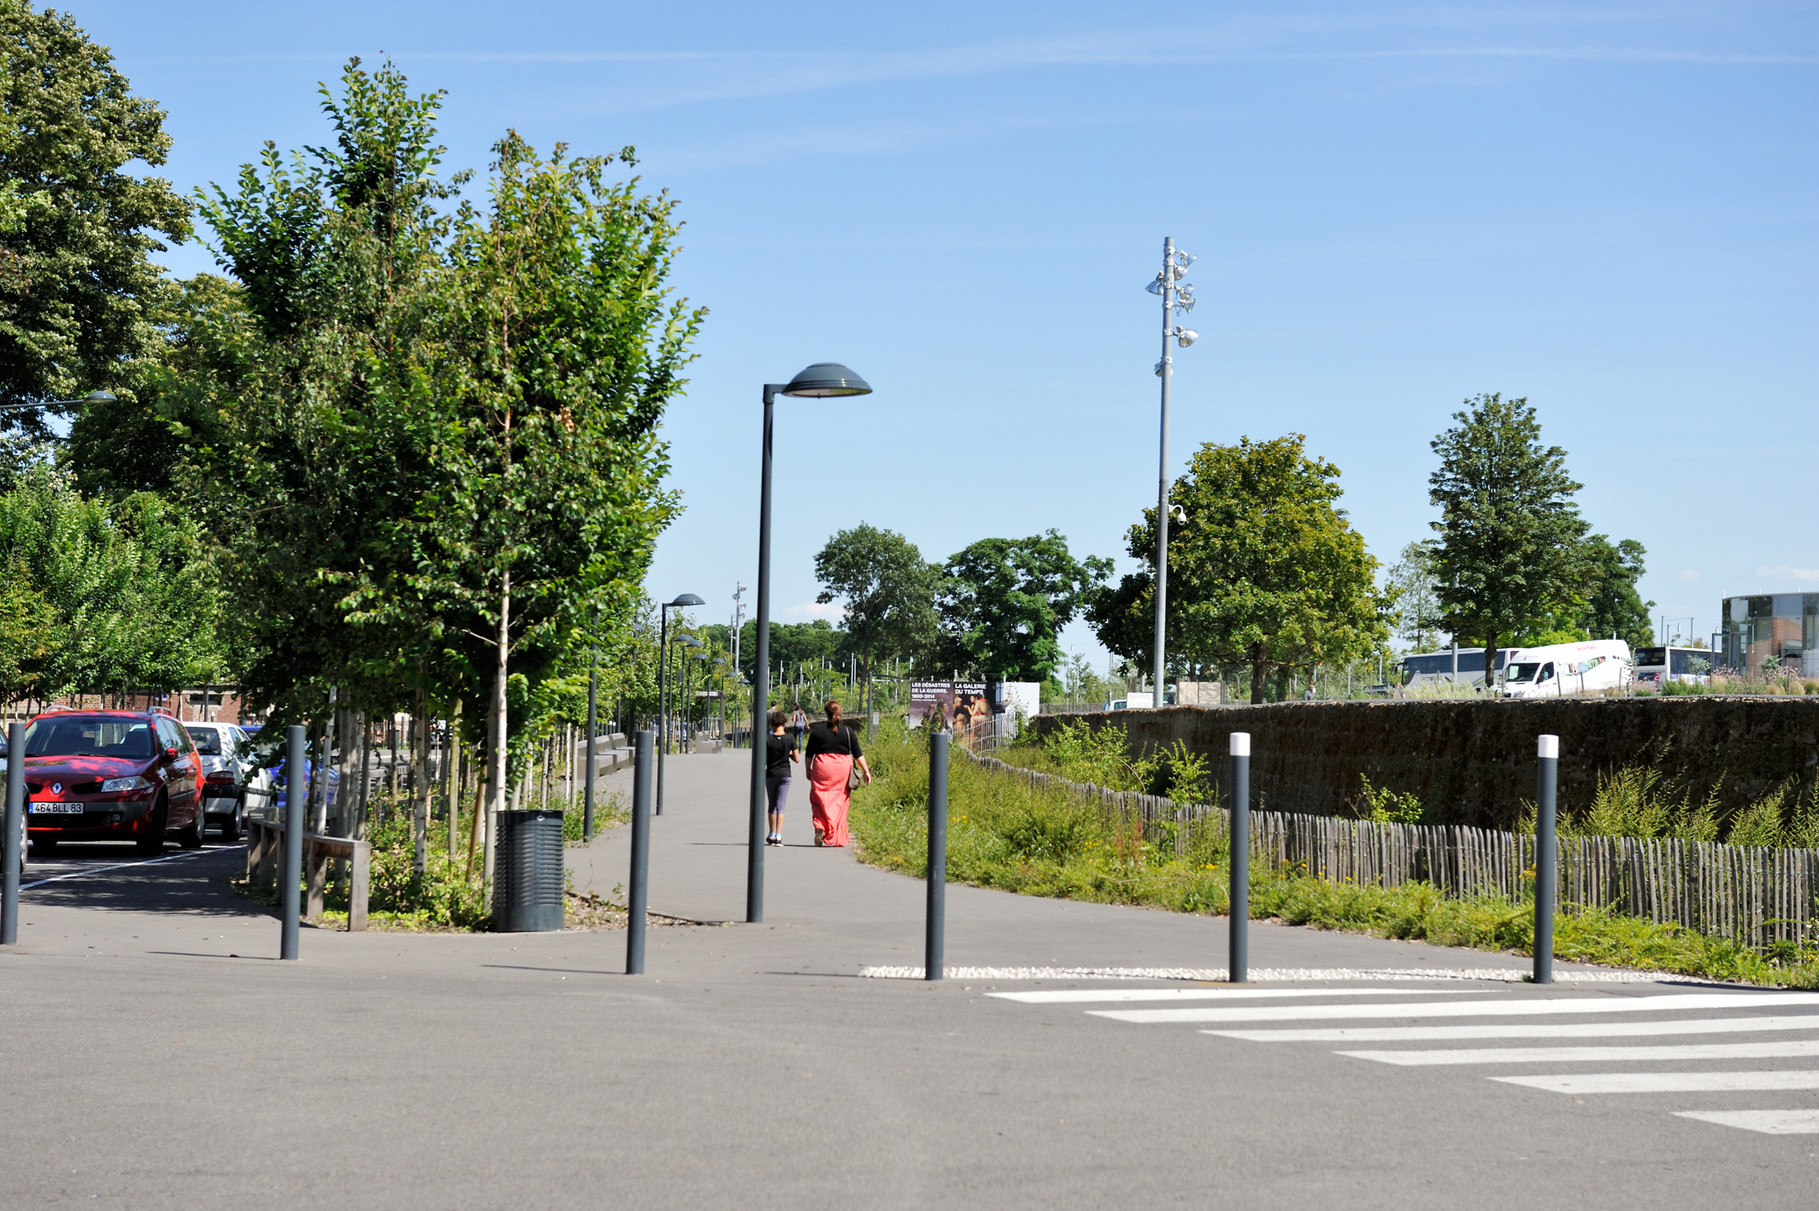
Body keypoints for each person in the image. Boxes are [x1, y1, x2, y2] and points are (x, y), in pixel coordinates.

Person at [804, 699, 870, 847]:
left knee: (818, 798)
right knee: (840, 800)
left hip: (822, 766)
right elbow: (858, 754)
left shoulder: (817, 731)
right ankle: (833, 833)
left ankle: (820, 825)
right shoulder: (848, 731)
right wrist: (866, 771)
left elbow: (809, 754)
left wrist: (808, 770)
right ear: (840, 713)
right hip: (842, 768)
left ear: (826, 713)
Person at [764, 709, 799, 846]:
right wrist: (788, 754)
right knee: (781, 806)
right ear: (784, 724)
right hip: (785, 774)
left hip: (771, 774)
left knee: (772, 805)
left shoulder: (767, 739)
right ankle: (779, 835)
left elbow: (764, 759)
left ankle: (771, 834)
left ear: (772, 725)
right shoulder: (790, 739)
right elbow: (797, 759)